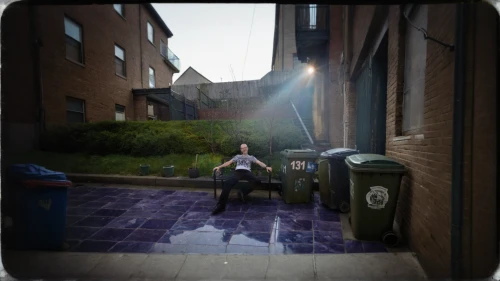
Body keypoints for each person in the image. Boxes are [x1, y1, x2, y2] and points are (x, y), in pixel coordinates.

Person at [211, 144, 272, 215]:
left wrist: (266, 167)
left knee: (257, 182)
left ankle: (242, 192)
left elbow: (259, 162)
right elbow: (228, 162)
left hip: (247, 172)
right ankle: (221, 206)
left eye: (245, 147)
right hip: (238, 172)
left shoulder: (251, 157)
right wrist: (219, 167)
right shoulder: (237, 156)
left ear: (247, 148)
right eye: (242, 148)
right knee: (227, 183)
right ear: (241, 150)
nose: (244, 149)